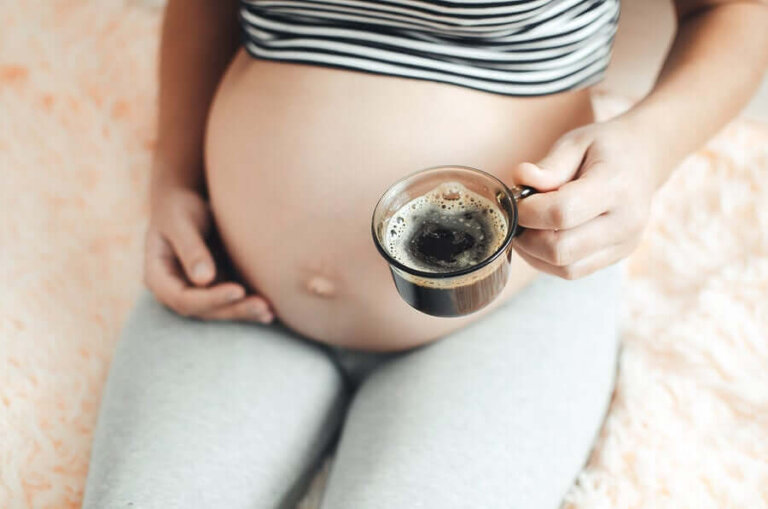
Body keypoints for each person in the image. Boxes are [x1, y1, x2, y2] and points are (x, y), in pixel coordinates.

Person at [82, 0, 768, 507]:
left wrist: (648, 148)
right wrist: (172, 177)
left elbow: (734, 10)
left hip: (507, 307)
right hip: (230, 286)